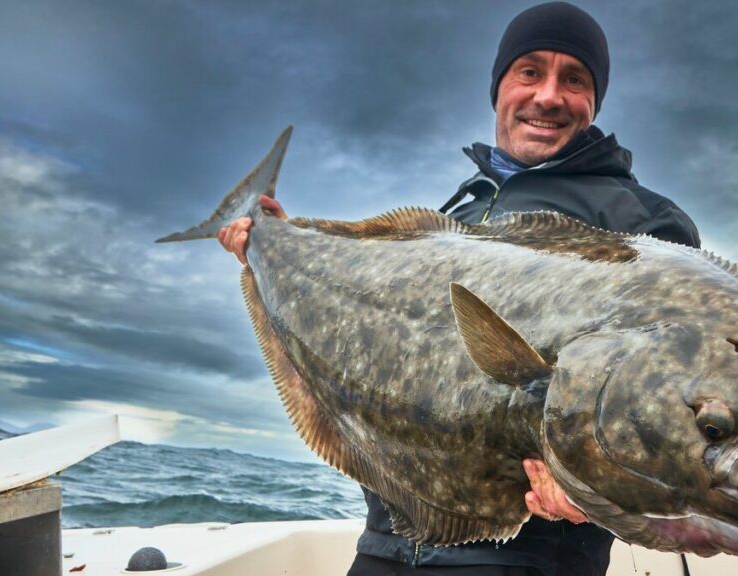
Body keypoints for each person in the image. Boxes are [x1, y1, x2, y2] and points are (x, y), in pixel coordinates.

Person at [219, 3, 700, 575]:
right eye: (530, 71)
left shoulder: (646, 224)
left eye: (575, 79)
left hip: (527, 553)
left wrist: (609, 496)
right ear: (498, 88)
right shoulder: (460, 211)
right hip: (386, 541)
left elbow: (680, 399)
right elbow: (375, 328)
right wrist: (272, 243)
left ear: (594, 101)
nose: (549, 95)